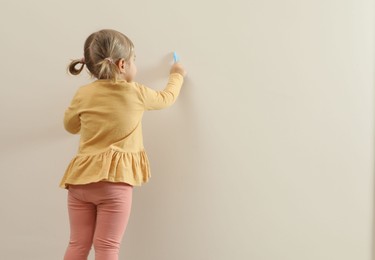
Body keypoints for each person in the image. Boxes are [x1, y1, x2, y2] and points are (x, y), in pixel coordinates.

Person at [60, 29, 186, 260]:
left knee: (77, 244)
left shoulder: (83, 93)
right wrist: (176, 74)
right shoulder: (136, 93)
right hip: (115, 184)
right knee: (107, 247)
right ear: (121, 65)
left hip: (80, 182)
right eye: (133, 61)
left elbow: (70, 126)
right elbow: (167, 98)